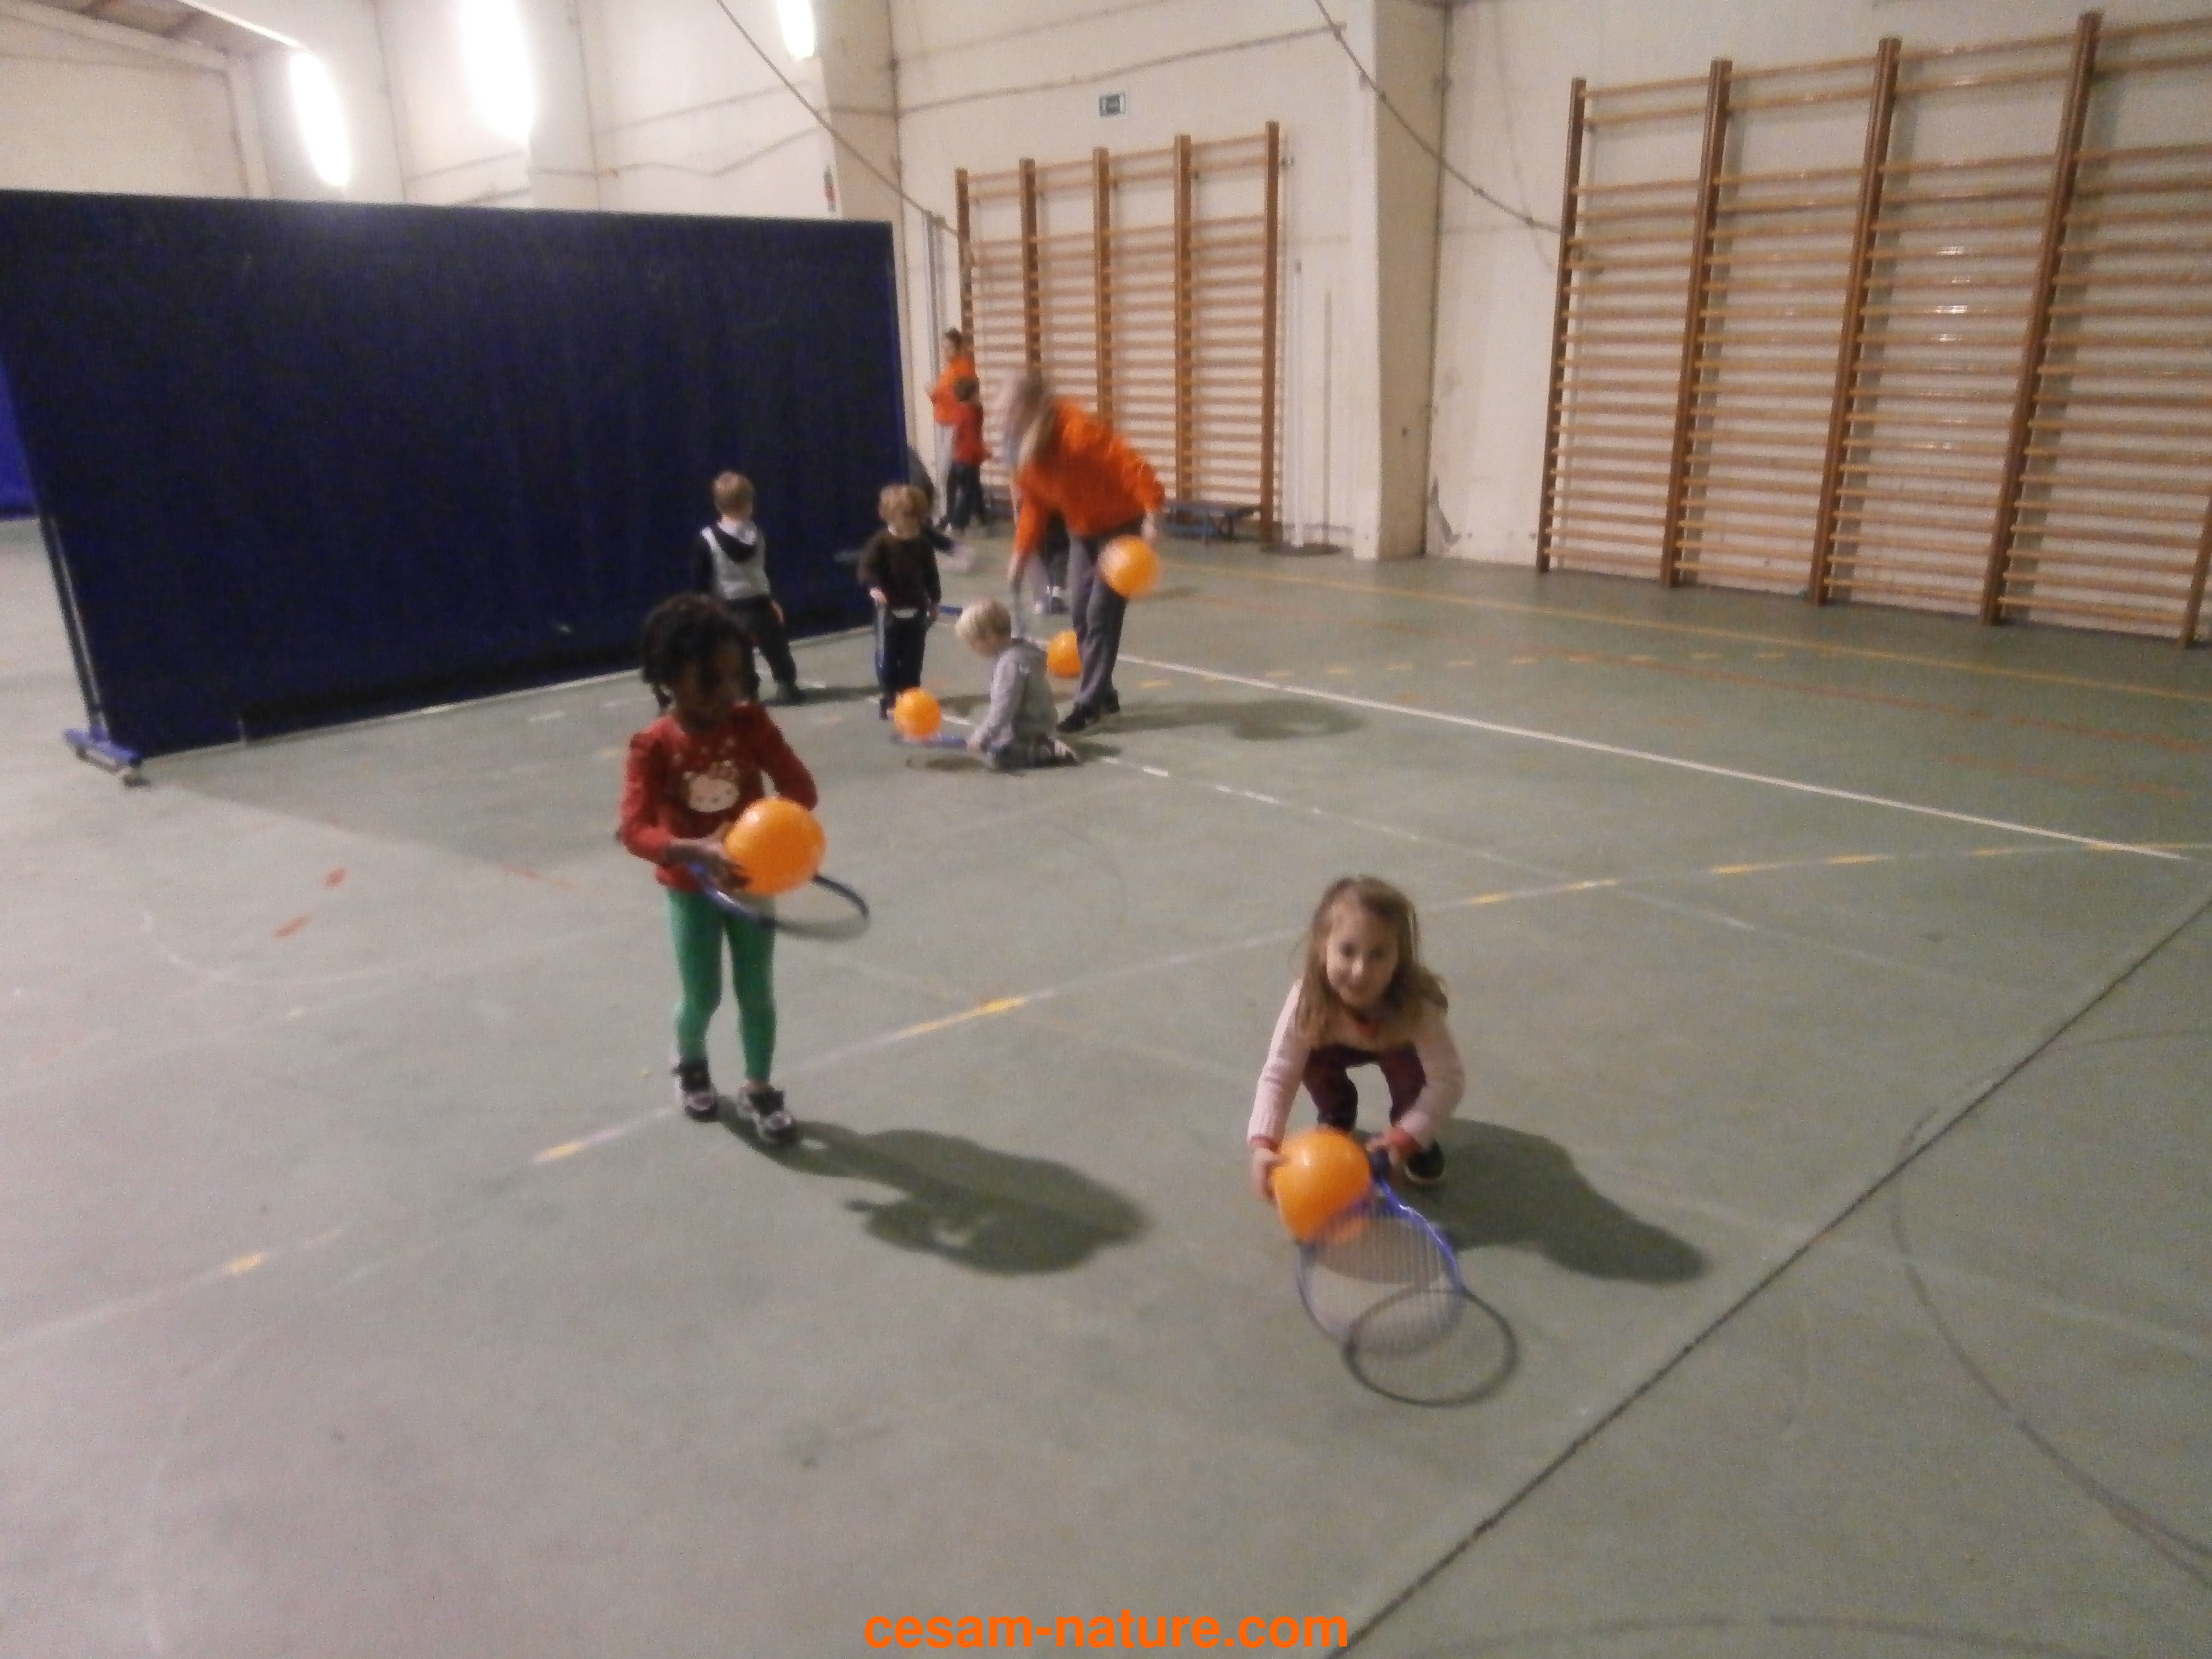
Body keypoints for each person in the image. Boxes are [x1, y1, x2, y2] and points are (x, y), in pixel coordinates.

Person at [618, 594, 817, 1143]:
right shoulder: (654, 746)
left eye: (738, 676)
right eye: (713, 680)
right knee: (702, 994)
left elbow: (800, 789)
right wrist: (695, 850)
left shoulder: (750, 724)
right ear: (670, 680)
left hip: (751, 883)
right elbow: (634, 830)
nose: (730, 690)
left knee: (757, 991)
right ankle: (689, 1062)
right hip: (691, 889)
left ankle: (759, 1086)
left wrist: (766, 836)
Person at [1247, 877, 1463, 1199]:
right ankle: (1337, 1114)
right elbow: (1280, 1073)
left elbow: (1448, 1080)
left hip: (1397, 1045)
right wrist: (1264, 1144)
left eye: (1379, 955)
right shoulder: (1308, 999)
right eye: (1347, 951)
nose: (1360, 971)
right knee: (1311, 1058)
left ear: (1400, 959)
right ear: (1323, 948)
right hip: (1333, 1046)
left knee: (1410, 1077)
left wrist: (1409, 1134)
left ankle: (1414, 1135)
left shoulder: (1416, 1006)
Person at [1000, 370, 1164, 735]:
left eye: (1010, 407)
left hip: (1120, 525)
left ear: (1032, 406)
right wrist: (1021, 554)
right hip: (1083, 529)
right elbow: (1036, 503)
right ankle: (1104, 693)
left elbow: (1132, 467)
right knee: (1080, 613)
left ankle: (1088, 705)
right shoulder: (1026, 449)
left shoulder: (1078, 434)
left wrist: (1153, 515)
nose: (1003, 416)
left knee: (1101, 612)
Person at [690, 472, 804, 705]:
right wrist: (772, 599)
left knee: (738, 653)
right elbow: (766, 569)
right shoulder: (758, 534)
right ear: (749, 504)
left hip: (728, 607)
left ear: (717, 505)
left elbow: (701, 577)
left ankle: (747, 692)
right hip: (760, 603)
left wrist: (704, 606)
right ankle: (786, 683)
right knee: (776, 647)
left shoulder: (707, 539)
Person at [950, 598, 1080, 771]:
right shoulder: (1022, 649)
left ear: (990, 637)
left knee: (999, 756)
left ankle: (1043, 750)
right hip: (1039, 722)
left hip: (1027, 729)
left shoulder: (1009, 665)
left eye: (974, 643)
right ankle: (1040, 743)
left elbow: (1003, 708)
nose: (973, 649)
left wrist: (982, 737)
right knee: (996, 744)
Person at [857, 483, 942, 719]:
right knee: (888, 656)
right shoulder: (881, 543)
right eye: (907, 515)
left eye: (917, 515)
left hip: (916, 609)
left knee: (913, 656)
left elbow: (930, 574)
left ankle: (910, 694)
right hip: (889, 611)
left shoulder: (922, 543)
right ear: (889, 514)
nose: (913, 521)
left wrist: (934, 601)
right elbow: (867, 568)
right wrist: (874, 588)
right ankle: (889, 696)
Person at [929, 328, 976, 520]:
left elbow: (961, 396)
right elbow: (943, 396)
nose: (946, 352)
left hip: (954, 423)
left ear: (958, 348)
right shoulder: (949, 369)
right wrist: (935, 395)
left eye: (949, 348)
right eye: (944, 348)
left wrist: (937, 394)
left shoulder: (963, 368)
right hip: (943, 421)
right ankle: (945, 511)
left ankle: (946, 514)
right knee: (945, 469)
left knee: (947, 470)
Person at [945, 375, 990, 533]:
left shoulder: (964, 411)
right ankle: (957, 524)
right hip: (967, 459)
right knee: (968, 492)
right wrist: (985, 452)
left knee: (974, 489)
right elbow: (972, 439)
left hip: (960, 459)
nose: (980, 395)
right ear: (971, 395)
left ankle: (981, 518)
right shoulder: (969, 415)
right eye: (977, 393)